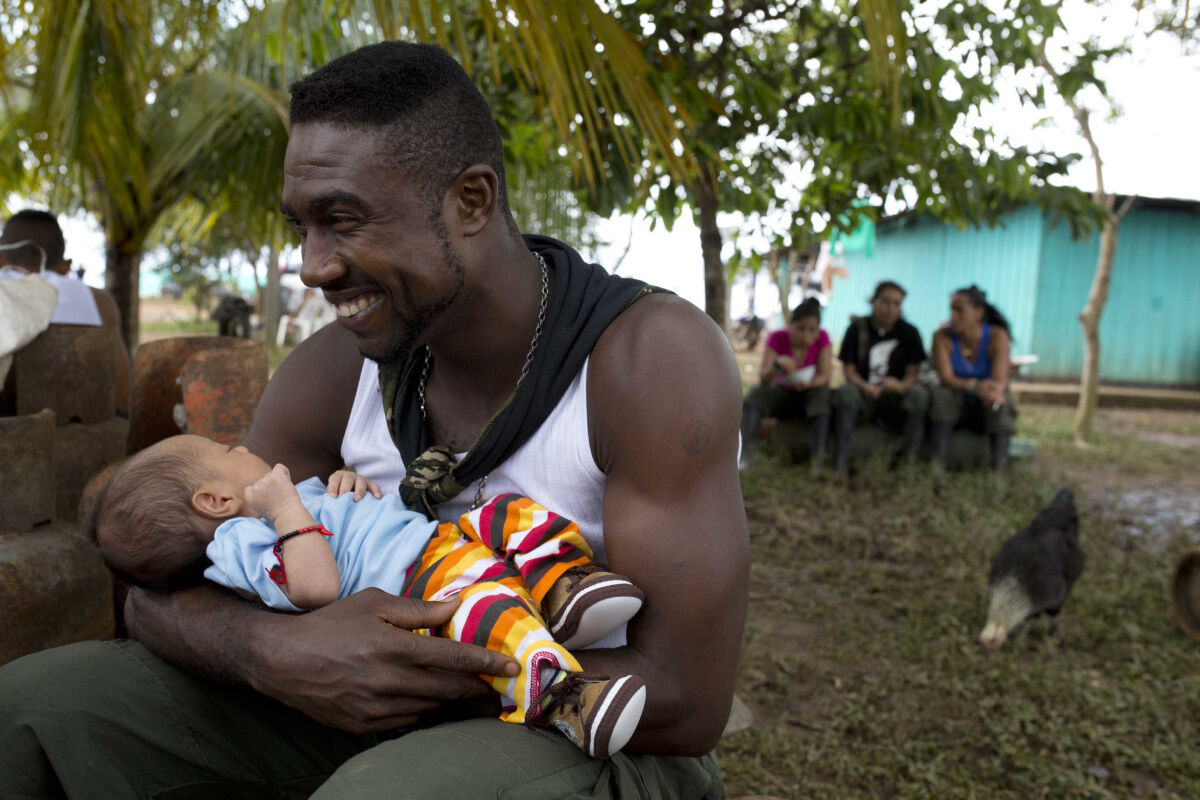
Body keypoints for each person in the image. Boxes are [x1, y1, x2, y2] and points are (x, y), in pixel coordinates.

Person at [0, 41, 747, 799]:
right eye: (302, 225)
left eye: (343, 220)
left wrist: (403, 670)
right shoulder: (334, 368)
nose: (312, 265)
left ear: (472, 202)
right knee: (33, 710)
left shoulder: (647, 362)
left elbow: (687, 698)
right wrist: (270, 651)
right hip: (371, 720)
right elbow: (166, 584)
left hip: (594, 727)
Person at [91, 433, 649, 759]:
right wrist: (288, 508)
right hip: (423, 588)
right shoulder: (241, 545)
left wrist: (345, 485)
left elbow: (340, 521)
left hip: (439, 543)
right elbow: (315, 586)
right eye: (225, 448)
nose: (240, 444)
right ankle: (563, 697)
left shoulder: (281, 508)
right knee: (491, 618)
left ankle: (566, 589)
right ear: (215, 500)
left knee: (508, 514)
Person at [0, 209, 132, 416]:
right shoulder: (98, 301)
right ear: (66, 267)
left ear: (0, 258)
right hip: (83, 434)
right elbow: (123, 398)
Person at [832, 280, 930, 476]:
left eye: (896, 304)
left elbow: (913, 374)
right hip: (863, 393)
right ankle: (840, 462)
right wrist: (864, 386)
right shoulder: (857, 329)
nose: (890, 309)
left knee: (918, 395)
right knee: (846, 393)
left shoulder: (909, 333)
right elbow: (849, 370)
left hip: (895, 398)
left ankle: (909, 464)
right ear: (873, 301)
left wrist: (900, 386)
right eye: (886, 302)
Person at [739, 297, 832, 475]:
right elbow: (764, 379)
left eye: (811, 329)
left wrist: (810, 383)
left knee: (822, 394)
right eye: (800, 328)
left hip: (809, 395)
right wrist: (778, 364)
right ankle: (746, 457)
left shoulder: (822, 339)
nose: (805, 333)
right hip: (783, 394)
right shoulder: (777, 338)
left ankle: (817, 460)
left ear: (817, 330)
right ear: (791, 325)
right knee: (756, 395)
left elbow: (825, 376)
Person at [929, 285, 1017, 472]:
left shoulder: (998, 336)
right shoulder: (941, 337)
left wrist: (994, 393)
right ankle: (937, 468)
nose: (953, 316)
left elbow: (1000, 381)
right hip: (955, 406)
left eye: (959, 310)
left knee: (1003, 402)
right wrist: (974, 386)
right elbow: (945, 378)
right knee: (943, 396)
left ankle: (999, 472)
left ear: (979, 313)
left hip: (984, 405)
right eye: (951, 310)